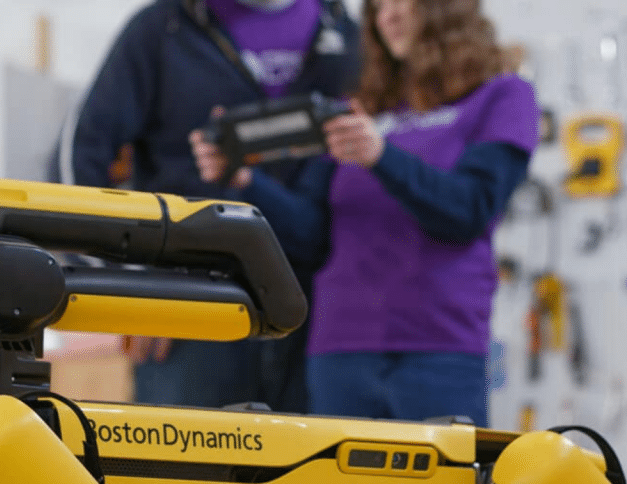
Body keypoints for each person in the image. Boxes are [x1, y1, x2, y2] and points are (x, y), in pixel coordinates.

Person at [191, 0, 540, 426]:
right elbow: (312, 236)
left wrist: (381, 157)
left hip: (438, 348)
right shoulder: (361, 110)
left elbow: (470, 210)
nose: (387, 16)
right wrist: (245, 180)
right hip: (339, 350)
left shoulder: (502, 96)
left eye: (401, 1)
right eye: (377, 7)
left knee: (444, 473)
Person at [49, 0, 361, 413]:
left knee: (309, 456)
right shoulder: (164, 28)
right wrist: (128, 291)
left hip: (319, 321)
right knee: (187, 455)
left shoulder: (348, 33)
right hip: (189, 314)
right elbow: (75, 162)